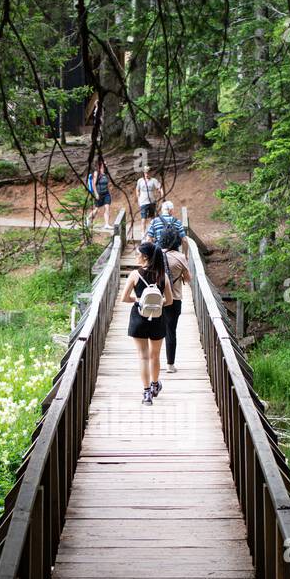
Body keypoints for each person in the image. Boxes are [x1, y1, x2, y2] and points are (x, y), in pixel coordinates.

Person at [121, 241, 174, 404]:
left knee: (143, 357)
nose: (135, 256)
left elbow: (124, 298)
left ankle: (146, 394)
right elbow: (170, 301)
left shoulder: (134, 275)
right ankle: (155, 385)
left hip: (139, 318)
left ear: (144, 257)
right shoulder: (162, 275)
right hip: (157, 319)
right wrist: (157, 304)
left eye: (137, 254)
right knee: (155, 356)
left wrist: (139, 300)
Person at [159, 224, 191, 373]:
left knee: (155, 331)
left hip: (156, 299)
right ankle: (170, 365)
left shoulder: (156, 255)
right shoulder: (181, 257)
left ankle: (153, 361)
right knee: (171, 331)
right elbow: (188, 279)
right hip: (175, 298)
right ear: (177, 240)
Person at [135, 165, 162, 235]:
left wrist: (161, 194)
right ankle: (143, 233)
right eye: (145, 172)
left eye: (148, 172)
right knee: (143, 218)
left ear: (150, 172)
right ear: (143, 173)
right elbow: (137, 190)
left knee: (153, 218)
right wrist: (138, 198)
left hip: (152, 202)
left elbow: (159, 187)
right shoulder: (140, 181)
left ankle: (152, 233)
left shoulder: (154, 180)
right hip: (143, 202)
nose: (147, 174)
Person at [93, 161, 112, 228]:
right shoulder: (96, 173)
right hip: (99, 193)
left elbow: (108, 184)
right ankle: (88, 218)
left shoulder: (106, 174)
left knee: (107, 208)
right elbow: (94, 184)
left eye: (107, 164)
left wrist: (109, 192)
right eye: (105, 164)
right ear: (101, 165)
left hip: (106, 193)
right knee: (96, 210)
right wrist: (96, 194)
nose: (106, 165)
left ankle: (106, 224)